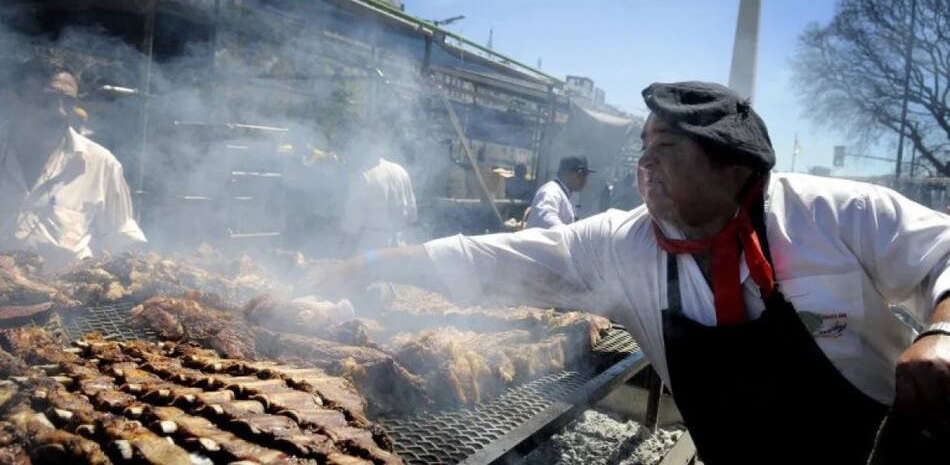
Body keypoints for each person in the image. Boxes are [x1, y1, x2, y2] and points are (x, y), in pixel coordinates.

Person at [309, 81, 950, 464]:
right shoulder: (621, 244)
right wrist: (367, 264)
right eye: (643, 149)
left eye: (666, 149)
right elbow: (486, 259)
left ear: (735, 168)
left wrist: (941, 333)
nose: (646, 165)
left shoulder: (831, 213)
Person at [0, 57, 146, 271]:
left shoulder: (101, 164)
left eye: (68, 102)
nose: (59, 112)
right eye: (47, 100)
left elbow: (123, 239)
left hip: (67, 298)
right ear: (13, 100)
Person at [339, 135, 417, 254]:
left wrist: (344, 247)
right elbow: (412, 215)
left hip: (373, 248)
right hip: (401, 245)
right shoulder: (400, 170)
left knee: (374, 273)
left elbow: (352, 223)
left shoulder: (363, 177)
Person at [525, 155, 594, 229]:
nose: (584, 179)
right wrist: (568, 235)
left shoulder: (564, 193)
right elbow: (546, 219)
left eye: (586, 175)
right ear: (567, 173)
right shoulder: (550, 191)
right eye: (581, 174)